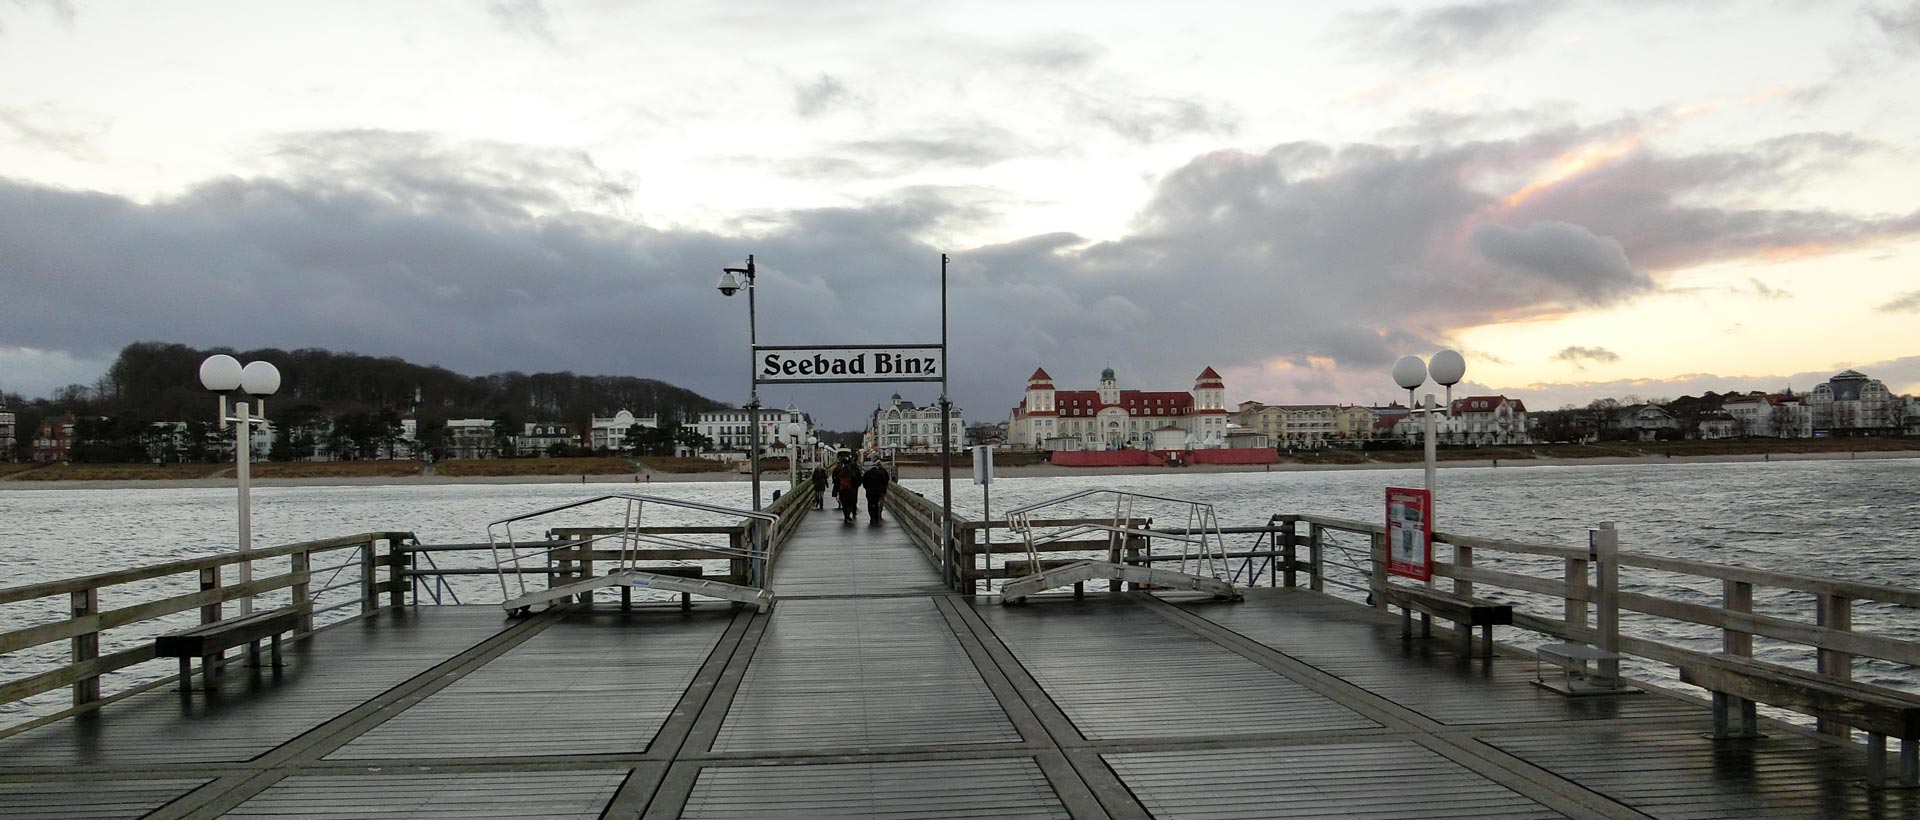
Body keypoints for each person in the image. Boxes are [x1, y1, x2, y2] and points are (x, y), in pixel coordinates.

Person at [832, 452, 861, 523]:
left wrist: (836, 490)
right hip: (850, 491)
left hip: (842, 491)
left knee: (844, 504)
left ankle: (846, 516)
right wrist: (855, 487)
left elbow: (837, 482)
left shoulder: (841, 473)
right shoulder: (851, 473)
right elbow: (856, 482)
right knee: (850, 503)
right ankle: (848, 514)